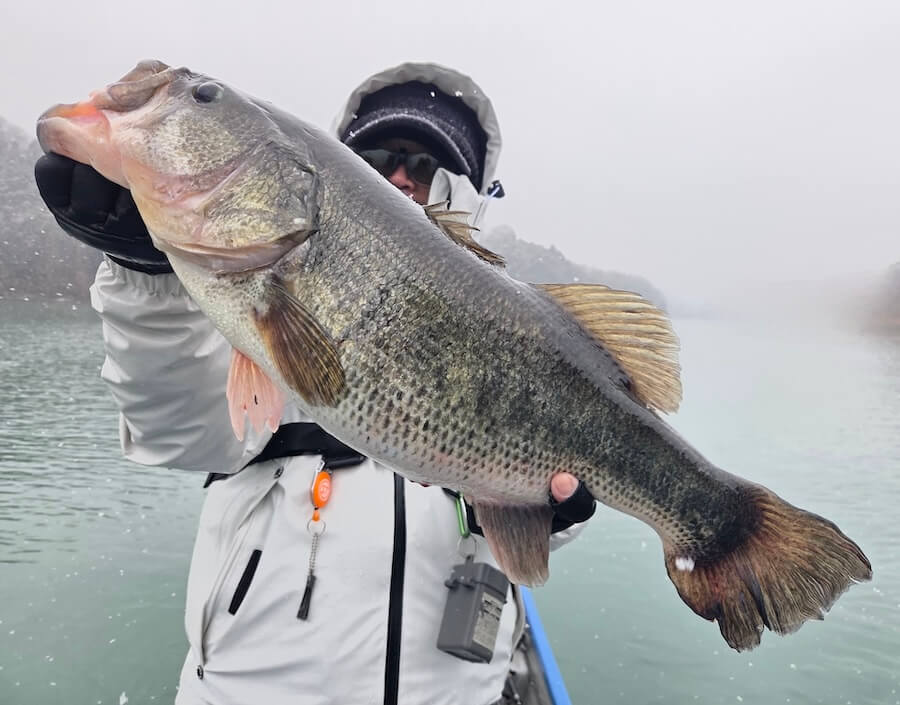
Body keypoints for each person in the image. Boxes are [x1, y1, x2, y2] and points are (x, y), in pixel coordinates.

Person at [34, 62, 596, 705]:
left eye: (428, 167)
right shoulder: (237, 289)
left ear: (466, 194)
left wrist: (556, 517)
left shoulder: (518, 340)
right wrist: (144, 272)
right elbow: (177, 432)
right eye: (378, 158)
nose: (401, 177)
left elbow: (549, 512)